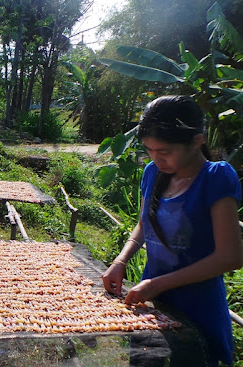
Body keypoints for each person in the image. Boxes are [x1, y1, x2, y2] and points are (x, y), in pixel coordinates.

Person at [101, 95, 243, 366]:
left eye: (164, 152)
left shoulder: (216, 178)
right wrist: (120, 261)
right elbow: (144, 224)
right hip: (151, 301)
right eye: (149, 150)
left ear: (197, 141)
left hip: (197, 305)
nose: (156, 159)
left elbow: (230, 256)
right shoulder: (152, 173)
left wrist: (157, 284)